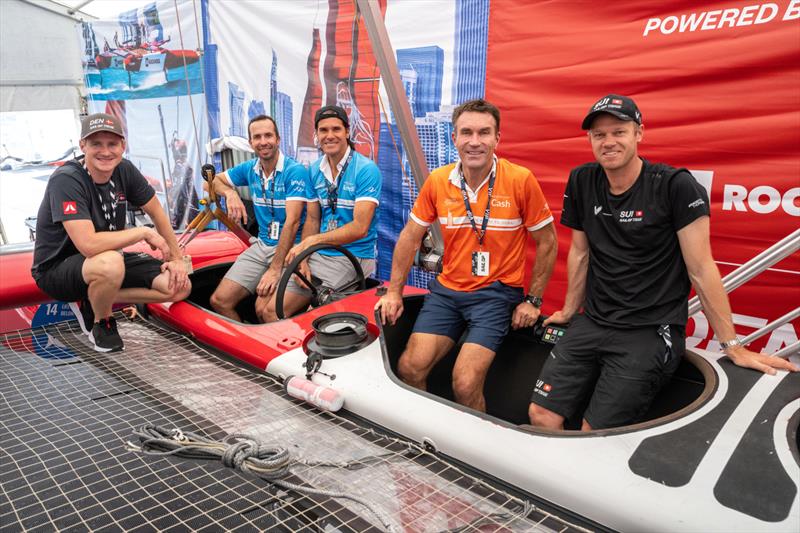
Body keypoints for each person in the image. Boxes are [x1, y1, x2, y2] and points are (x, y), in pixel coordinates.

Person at [529, 94, 799, 431]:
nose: (609, 142)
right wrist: (570, 310)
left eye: (619, 131)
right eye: (599, 135)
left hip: (648, 331)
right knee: (541, 417)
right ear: (590, 140)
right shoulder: (583, 180)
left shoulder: (675, 185)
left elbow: (701, 268)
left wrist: (733, 345)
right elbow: (581, 253)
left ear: (639, 133)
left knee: (592, 434)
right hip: (594, 322)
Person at [376, 99, 558, 412]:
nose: (475, 142)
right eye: (467, 133)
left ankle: (472, 452)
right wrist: (394, 292)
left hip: (495, 295)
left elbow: (548, 241)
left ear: (497, 139)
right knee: (409, 368)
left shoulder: (520, 180)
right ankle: (429, 436)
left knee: (465, 383)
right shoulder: (439, 181)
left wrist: (534, 300)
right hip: (447, 293)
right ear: (454, 138)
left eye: (484, 133)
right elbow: (409, 237)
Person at [31, 112, 191, 353]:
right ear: (82, 145)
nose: (105, 151)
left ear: (123, 146)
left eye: (112, 144)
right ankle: (102, 322)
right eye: (96, 143)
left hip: (106, 261)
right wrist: (141, 233)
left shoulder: (124, 169)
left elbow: (156, 211)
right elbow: (88, 245)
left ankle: (93, 299)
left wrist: (176, 259)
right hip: (58, 269)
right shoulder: (66, 179)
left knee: (179, 286)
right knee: (110, 262)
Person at [261, 105, 381, 321]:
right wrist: (304, 259)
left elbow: (360, 228)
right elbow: (313, 219)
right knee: (264, 308)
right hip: (319, 253)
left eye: (336, 129)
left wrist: (310, 243)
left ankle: (307, 352)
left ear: (347, 132)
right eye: (323, 130)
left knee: (306, 318)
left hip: (353, 255)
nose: (330, 135)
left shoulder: (366, 169)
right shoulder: (314, 169)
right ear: (316, 135)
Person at [208, 115, 312, 322]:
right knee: (219, 301)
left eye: (268, 135)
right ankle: (240, 349)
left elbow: (292, 223)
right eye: (257, 137)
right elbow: (211, 182)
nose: (263, 141)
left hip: (291, 247)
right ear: (250, 143)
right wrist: (231, 194)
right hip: (262, 245)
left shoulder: (295, 171)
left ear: (278, 139)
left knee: (264, 310)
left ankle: (284, 353)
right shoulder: (250, 168)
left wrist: (275, 269)